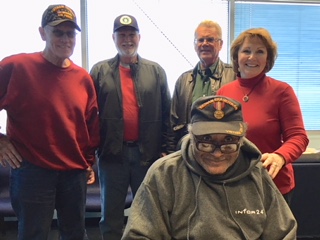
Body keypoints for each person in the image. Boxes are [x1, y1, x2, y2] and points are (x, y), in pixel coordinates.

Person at [122, 95, 297, 239]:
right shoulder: (164, 173)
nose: (217, 154)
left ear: (241, 141)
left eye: (228, 143)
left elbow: (284, 233)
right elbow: (139, 234)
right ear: (191, 138)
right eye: (206, 142)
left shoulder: (256, 174)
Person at [0, 4, 100, 240]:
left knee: (76, 234)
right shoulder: (15, 67)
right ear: (42, 33)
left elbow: (89, 126)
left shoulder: (82, 78)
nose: (66, 39)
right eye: (58, 32)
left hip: (74, 173)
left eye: (70, 33)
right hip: (33, 171)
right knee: (34, 234)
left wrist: (87, 162)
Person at [90, 14, 171, 240]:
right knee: (111, 216)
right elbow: (90, 116)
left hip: (147, 155)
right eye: (122, 35)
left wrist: (166, 149)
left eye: (131, 34)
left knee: (150, 213)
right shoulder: (99, 71)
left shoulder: (156, 71)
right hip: (112, 156)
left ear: (139, 37)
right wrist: (94, 150)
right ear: (113, 38)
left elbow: (167, 114)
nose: (127, 39)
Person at [217, 28, 309, 204]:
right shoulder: (223, 92)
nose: (252, 57)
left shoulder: (282, 91)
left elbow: (298, 137)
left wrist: (279, 156)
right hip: (233, 183)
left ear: (268, 59)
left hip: (272, 184)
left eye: (260, 51)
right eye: (246, 51)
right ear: (236, 57)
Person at [169, 20, 236, 152]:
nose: (204, 44)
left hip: (222, 151)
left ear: (220, 44)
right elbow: (173, 121)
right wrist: (170, 153)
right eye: (200, 40)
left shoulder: (234, 76)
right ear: (195, 45)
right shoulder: (183, 80)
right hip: (189, 151)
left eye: (210, 39)